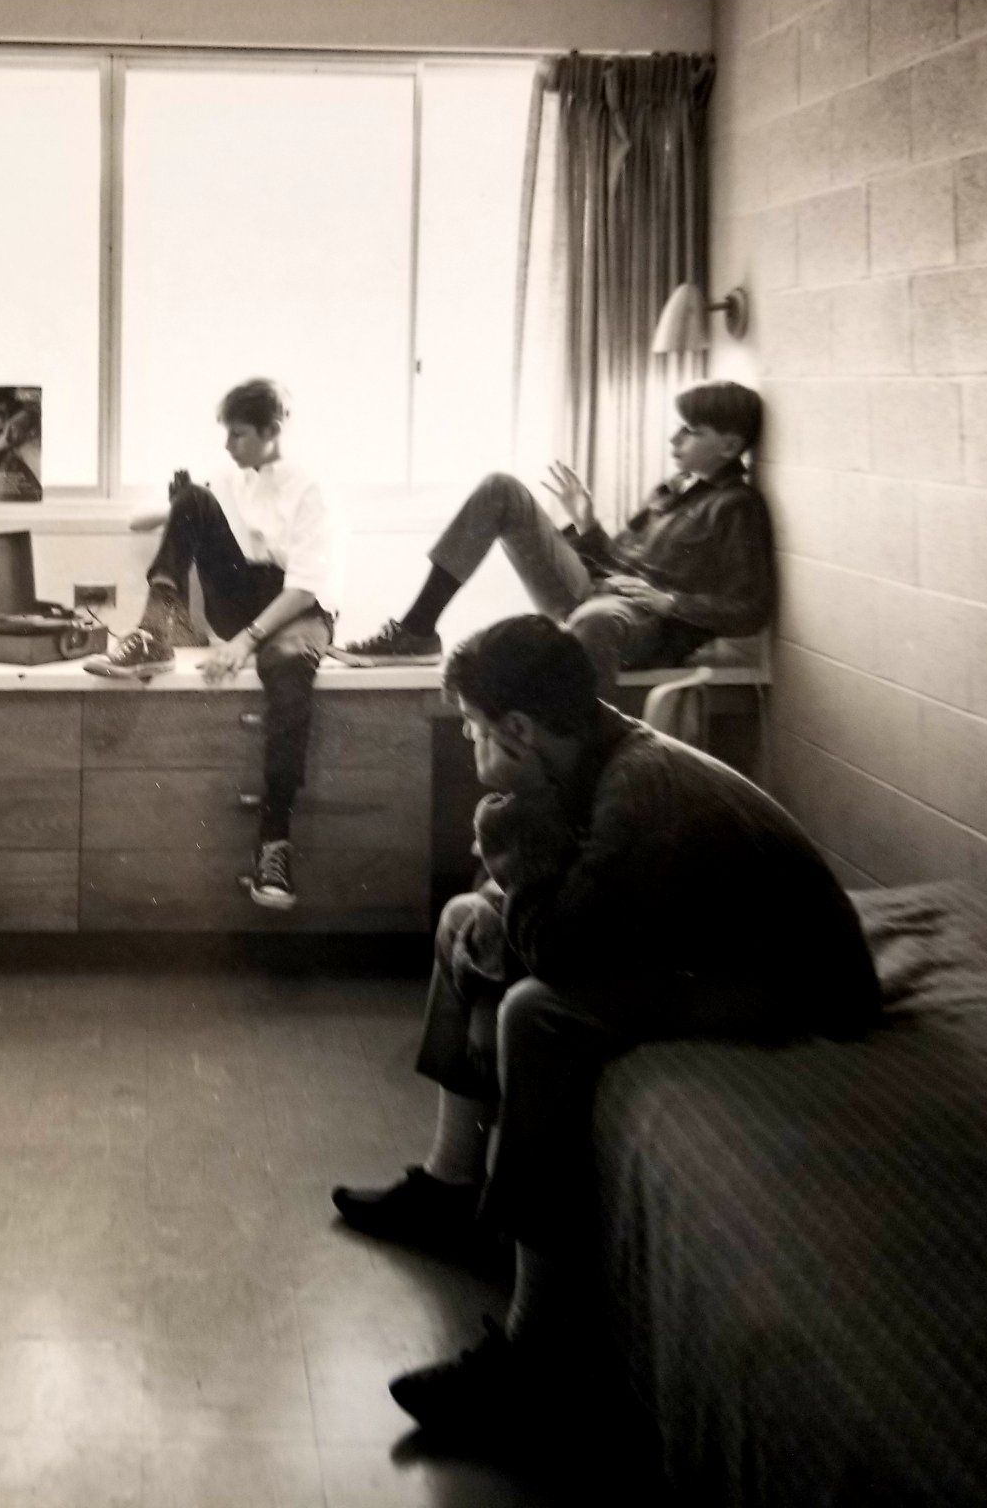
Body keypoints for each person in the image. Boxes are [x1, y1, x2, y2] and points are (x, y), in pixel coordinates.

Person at [331, 616, 879, 1445]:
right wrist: (495, 901)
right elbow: (571, 909)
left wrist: (506, 828)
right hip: (706, 937)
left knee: (538, 1014)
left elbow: (558, 948)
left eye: (478, 731)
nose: (476, 749)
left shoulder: (640, 787)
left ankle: (539, 1352)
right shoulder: (593, 753)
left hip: (796, 982)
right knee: (465, 915)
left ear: (518, 732)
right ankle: (451, 1187)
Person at [87, 378, 346, 910]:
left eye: (240, 435)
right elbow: (139, 521)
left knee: (291, 669)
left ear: (273, 432)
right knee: (194, 497)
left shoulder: (310, 489)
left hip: (295, 606)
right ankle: (153, 633)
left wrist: (247, 642)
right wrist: (179, 503)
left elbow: (305, 586)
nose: (228, 445)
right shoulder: (230, 478)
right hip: (243, 599)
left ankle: (275, 840)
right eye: (226, 434)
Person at [330, 381, 773, 688]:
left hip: (647, 627)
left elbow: (751, 609)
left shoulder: (738, 507)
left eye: (691, 432)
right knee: (500, 488)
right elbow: (619, 560)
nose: (674, 439)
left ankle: (582, 760)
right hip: (600, 591)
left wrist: (670, 603)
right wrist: (587, 523)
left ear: (730, 447)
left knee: (592, 622)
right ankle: (416, 632)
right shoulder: (672, 489)